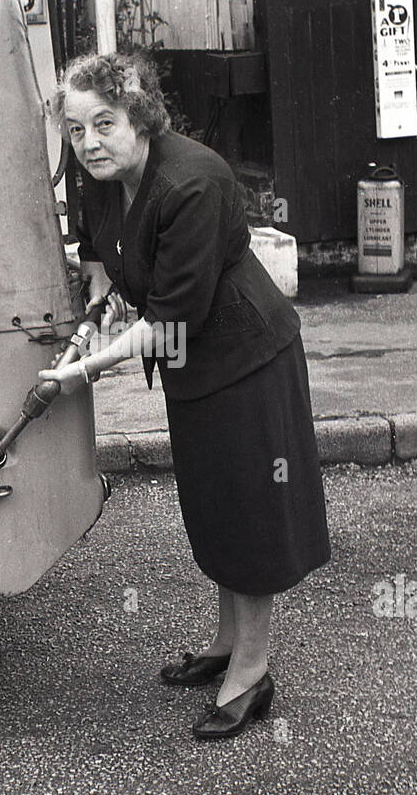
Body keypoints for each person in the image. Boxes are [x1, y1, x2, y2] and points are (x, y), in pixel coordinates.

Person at [39, 52, 331, 741]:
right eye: (76, 131)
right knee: (214, 506)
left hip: (245, 362)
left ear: (138, 117)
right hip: (192, 367)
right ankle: (228, 642)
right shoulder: (107, 181)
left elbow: (168, 321)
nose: (89, 144)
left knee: (249, 515)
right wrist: (91, 323)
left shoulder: (193, 181)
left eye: (104, 124)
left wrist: (82, 372)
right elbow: (109, 273)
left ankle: (252, 675)